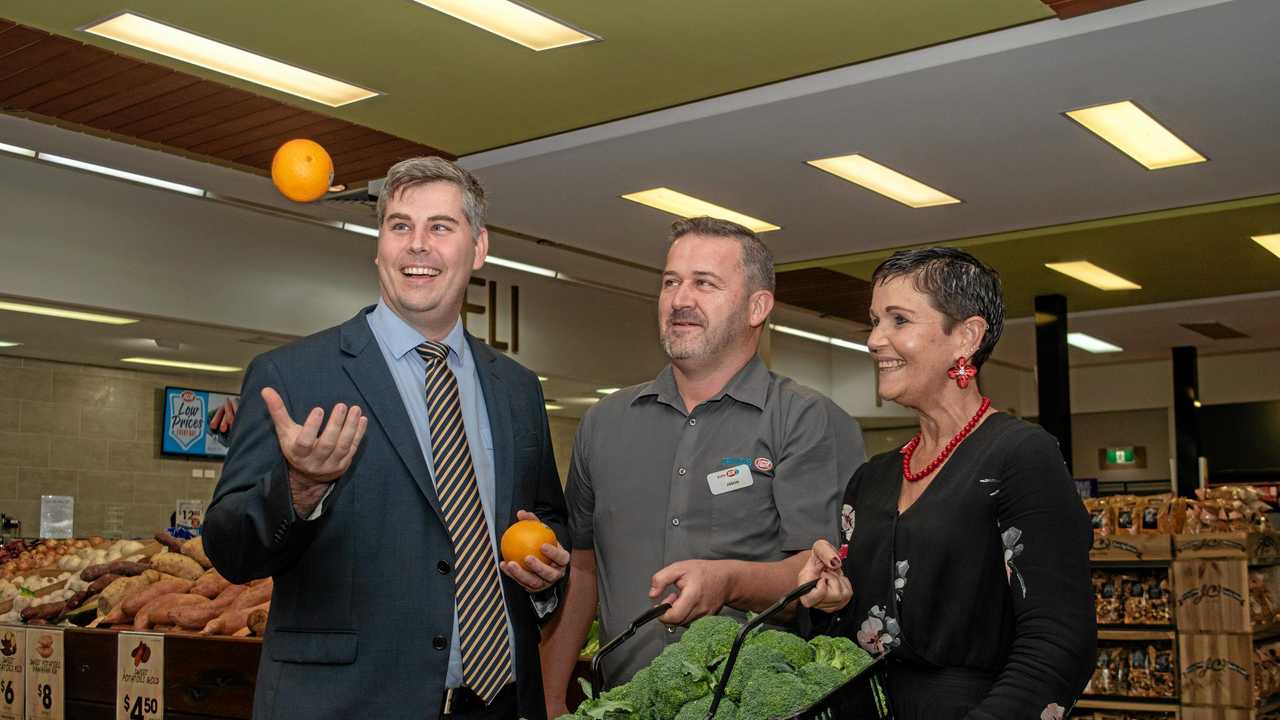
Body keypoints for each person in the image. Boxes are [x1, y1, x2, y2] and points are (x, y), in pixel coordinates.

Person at [203, 157, 569, 720]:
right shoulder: (294, 377)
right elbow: (229, 552)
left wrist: (545, 576)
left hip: (497, 704)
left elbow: (546, 519)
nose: (417, 245)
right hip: (345, 704)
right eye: (400, 226)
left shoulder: (517, 389)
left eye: (440, 228)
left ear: (478, 248)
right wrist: (298, 489)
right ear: (379, 248)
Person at [541, 217, 865, 715]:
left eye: (704, 283)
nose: (679, 299)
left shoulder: (806, 419)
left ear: (758, 306)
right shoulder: (603, 424)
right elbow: (584, 568)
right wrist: (549, 702)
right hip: (619, 705)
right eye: (671, 281)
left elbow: (816, 572)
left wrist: (728, 581)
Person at [797, 247, 1096, 719]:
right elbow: (849, 641)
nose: (875, 340)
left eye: (898, 320)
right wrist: (833, 603)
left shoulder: (1019, 456)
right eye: (874, 321)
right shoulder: (872, 478)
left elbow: (1059, 642)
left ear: (967, 337)